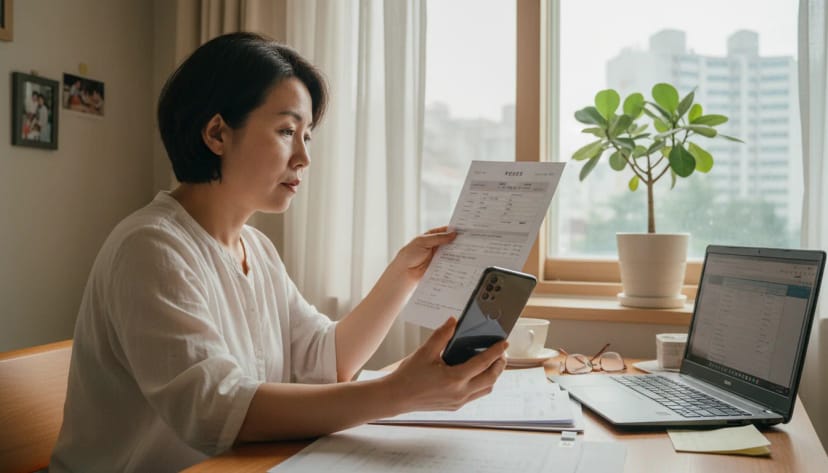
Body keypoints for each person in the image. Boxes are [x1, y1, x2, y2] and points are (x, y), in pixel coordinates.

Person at [49, 32, 507, 472]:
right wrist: (398, 393)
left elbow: (328, 361)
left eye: (307, 136)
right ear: (217, 133)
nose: (304, 157)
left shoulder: (256, 248)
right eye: (287, 130)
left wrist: (404, 274)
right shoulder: (152, 248)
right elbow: (217, 410)